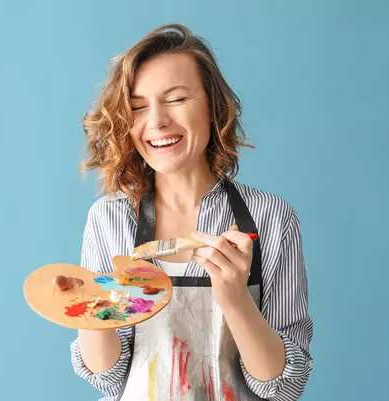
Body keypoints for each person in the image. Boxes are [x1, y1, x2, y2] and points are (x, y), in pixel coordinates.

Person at [69, 24, 314, 401]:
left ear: (213, 106)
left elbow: (283, 387)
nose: (157, 121)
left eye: (177, 99)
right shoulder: (110, 219)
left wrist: (234, 297)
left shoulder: (269, 217)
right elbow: (109, 377)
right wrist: (92, 310)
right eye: (137, 107)